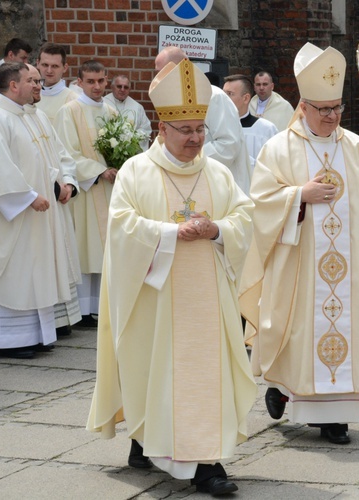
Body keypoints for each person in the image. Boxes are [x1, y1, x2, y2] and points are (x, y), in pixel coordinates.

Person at [86, 58, 256, 496]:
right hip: (155, 298)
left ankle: (206, 463)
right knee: (152, 371)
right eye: (186, 131)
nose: (196, 138)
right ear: (162, 129)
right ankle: (146, 438)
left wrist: (216, 229)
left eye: (200, 129)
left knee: (203, 373)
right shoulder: (137, 172)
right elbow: (121, 227)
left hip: (207, 298)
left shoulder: (216, 172)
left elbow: (244, 216)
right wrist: (168, 233)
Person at [240, 42, 359, 444]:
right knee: (294, 333)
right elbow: (260, 203)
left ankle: (336, 416)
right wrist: (298, 196)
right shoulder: (279, 148)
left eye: (337, 109)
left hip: (347, 270)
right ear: (303, 106)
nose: (331, 117)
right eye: (322, 109)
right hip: (299, 266)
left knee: (343, 328)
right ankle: (281, 386)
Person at [0, 62, 76, 359]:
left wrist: (61, 183)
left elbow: (50, 156)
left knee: (33, 271)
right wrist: (27, 197)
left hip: (37, 213)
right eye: (32, 80)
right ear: (13, 85)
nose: (38, 85)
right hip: (12, 215)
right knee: (14, 271)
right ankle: (7, 339)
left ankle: (35, 334)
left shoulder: (28, 115)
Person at [55, 60, 117, 327]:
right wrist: (99, 171)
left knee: (106, 249)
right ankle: (81, 309)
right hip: (87, 188)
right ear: (79, 82)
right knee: (86, 247)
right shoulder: (69, 111)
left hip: (110, 190)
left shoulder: (113, 112)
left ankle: (100, 307)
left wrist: (120, 164)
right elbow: (66, 152)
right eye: (90, 81)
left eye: (101, 81)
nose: (96, 86)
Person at [26, 64, 83, 338]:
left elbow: (62, 154)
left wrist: (69, 182)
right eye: (33, 80)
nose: (39, 85)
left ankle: (61, 320)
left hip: (56, 199)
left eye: (39, 81)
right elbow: (27, 165)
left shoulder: (38, 116)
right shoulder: (12, 118)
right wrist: (55, 184)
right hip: (40, 202)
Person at [155, 47, 252, 193]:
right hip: (186, 182)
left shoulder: (213, 96)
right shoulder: (173, 100)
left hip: (220, 187)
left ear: (184, 66)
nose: (159, 79)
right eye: (157, 73)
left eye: (163, 72)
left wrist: (184, 158)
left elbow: (228, 146)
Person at [223, 74, 278, 173]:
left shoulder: (266, 130)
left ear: (246, 98)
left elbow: (275, 169)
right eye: (223, 94)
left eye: (230, 94)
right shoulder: (215, 129)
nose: (224, 98)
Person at [0, 38, 32, 111]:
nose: (26, 62)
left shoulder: (22, 72)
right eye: (23, 58)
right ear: (11, 55)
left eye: (27, 59)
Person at [103, 75, 152, 152]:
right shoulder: (103, 103)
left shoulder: (137, 107)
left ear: (130, 89)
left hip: (130, 153)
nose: (122, 90)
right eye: (119, 86)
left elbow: (145, 128)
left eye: (126, 87)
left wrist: (131, 138)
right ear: (112, 87)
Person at [36, 43, 77, 125]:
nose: (49, 71)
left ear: (65, 68)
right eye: (45, 65)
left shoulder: (73, 100)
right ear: (38, 64)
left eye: (55, 66)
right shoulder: (27, 96)